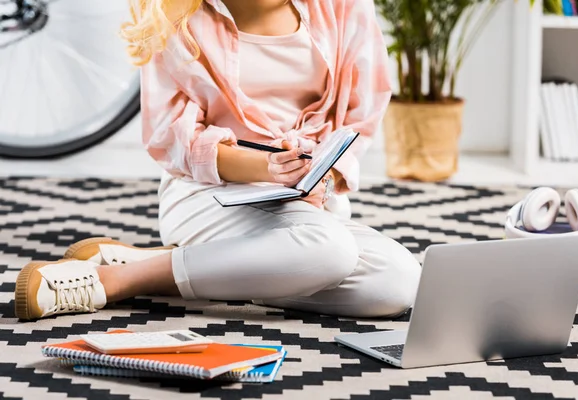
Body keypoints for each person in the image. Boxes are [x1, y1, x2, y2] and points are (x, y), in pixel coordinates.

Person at [14, 0, 421, 322]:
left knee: (396, 283)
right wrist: (266, 169)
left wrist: (322, 176)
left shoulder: (345, 6)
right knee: (329, 250)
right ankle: (117, 280)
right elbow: (173, 139)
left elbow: (360, 115)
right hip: (206, 191)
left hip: (305, 202)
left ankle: (175, 266)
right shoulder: (173, 15)